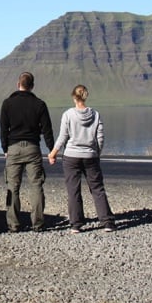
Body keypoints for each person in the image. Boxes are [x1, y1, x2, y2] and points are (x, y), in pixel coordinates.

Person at [47, 84, 117, 233]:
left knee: (73, 190)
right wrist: (96, 153)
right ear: (86, 96)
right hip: (90, 156)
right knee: (97, 189)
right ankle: (107, 222)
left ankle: (76, 224)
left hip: (71, 156)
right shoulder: (96, 115)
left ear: (74, 97)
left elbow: (63, 137)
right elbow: (100, 138)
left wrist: (53, 153)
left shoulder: (68, 114)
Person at [0, 71, 55, 232]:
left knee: (12, 186)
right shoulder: (40, 104)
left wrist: (5, 149)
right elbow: (47, 131)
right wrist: (51, 150)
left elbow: (3, 129)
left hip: (14, 148)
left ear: (18, 85)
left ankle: (14, 224)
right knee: (36, 185)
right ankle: (37, 224)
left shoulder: (7, 103)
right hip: (33, 148)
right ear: (32, 86)